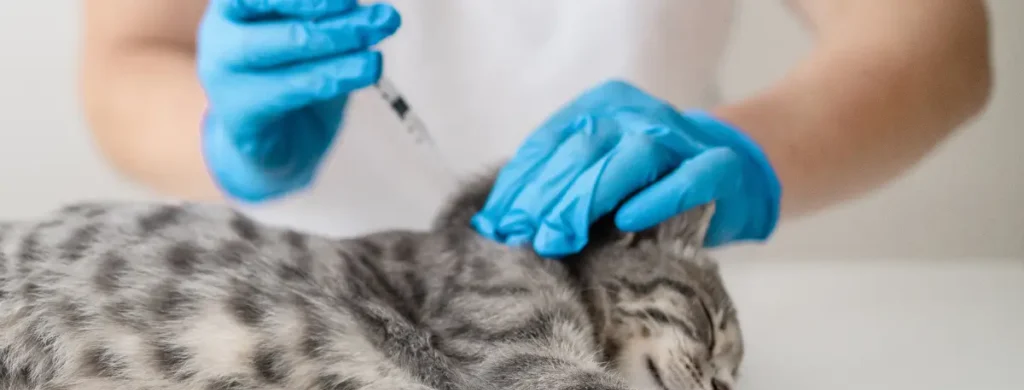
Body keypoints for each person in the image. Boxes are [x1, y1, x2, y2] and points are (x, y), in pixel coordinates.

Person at [78, 0, 993, 255]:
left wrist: (748, 155)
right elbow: (126, 54)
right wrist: (225, 136)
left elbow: (935, 37)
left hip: (628, 325)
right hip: (281, 317)